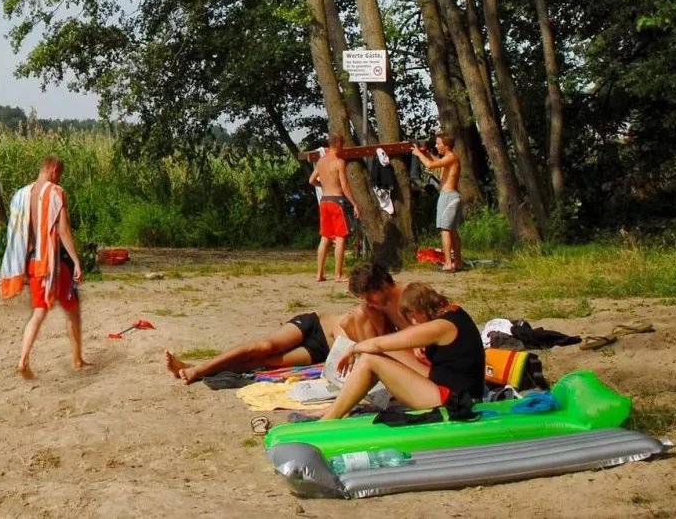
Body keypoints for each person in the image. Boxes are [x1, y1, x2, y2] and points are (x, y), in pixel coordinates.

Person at [319, 282, 485, 419]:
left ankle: (329, 419)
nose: (413, 323)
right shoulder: (453, 312)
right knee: (374, 356)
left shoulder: (440, 327)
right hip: (447, 388)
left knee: (369, 360)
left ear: (416, 313)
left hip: (453, 401)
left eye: (411, 318)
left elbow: (380, 344)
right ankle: (339, 408)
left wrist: (353, 349)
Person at [164, 296, 388, 383]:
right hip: (315, 325)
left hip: (322, 351)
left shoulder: (386, 336)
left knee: (264, 362)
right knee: (264, 347)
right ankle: (199, 369)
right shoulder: (368, 314)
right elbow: (348, 324)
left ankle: (196, 368)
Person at [0, 156, 88, 379]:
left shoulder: (20, 195)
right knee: (73, 312)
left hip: (32, 261)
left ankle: (23, 360)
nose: (59, 178)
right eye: (60, 174)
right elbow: (63, 230)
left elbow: (19, 232)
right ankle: (77, 360)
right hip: (55, 263)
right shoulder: (56, 193)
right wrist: (76, 260)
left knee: (38, 313)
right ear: (54, 170)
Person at [309, 133, 355, 282]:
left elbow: (311, 180)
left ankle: (319, 274)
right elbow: (345, 186)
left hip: (324, 201)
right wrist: (354, 204)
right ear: (339, 144)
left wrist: (323, 186)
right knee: (340, 238)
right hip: (337, 201)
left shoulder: (321, 162)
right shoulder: (339, 162)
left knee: (325, 238)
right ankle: (338, 274)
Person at [415, 133, 464, 272]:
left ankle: (448, 263)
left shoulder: (452, 158)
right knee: (451, 231)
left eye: (438, 143)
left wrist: (419, 154)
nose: (436, 146)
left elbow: (430, 165)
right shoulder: (448, 159)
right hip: (449, 196)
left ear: (446, 145)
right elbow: (436, 162)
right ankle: (458, 262)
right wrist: (428, 153)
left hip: (448, 196)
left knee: (445, 230)